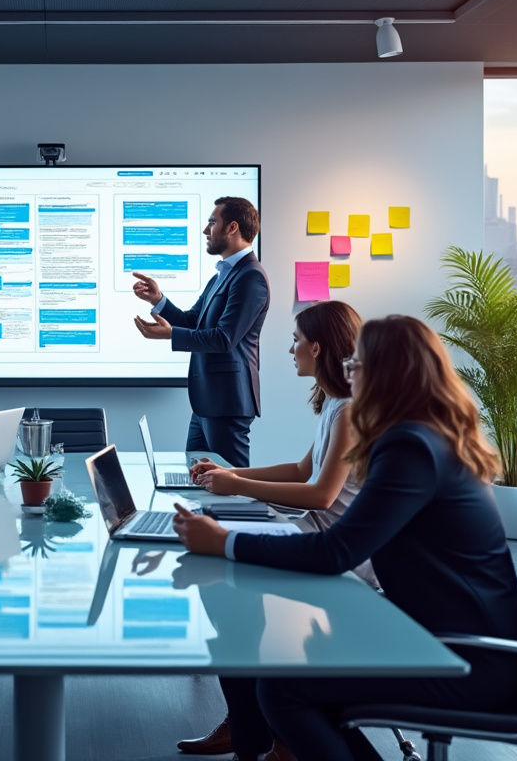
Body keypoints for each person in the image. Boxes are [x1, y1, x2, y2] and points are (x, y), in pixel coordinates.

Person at [172, 315, 517, 761]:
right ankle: (258, 745)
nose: (349, 372)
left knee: (284, 687)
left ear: (387, 371)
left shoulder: (412, 448)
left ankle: (260, 745)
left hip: (464, 658)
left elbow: (337, 550)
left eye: (356, 364)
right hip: (445, 636)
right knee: (287, 670)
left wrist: (224, 542)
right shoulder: (424, 436)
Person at [176, 300, 371, 760]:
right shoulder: (334, 403)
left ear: (317, 348)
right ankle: (255, 726)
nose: (290, 349)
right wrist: (231, 474)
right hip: (306, 533)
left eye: (296, 341)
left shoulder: (349, 411)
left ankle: (258, 733)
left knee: (229, 595)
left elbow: (321, 495)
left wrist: (238, 485)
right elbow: (302, 470)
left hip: (331, 551)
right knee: (224, 592)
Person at [132, 196, 270, 468]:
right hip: (207, 403)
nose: (206, 230)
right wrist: (158, 300)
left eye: (212, 222)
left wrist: (171, 335)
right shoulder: (222, 276)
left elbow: (224, 338)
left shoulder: (250, 277)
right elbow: (193, 320)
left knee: (231, 484)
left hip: (227, 403)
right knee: (196, 479)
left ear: (232, 227)